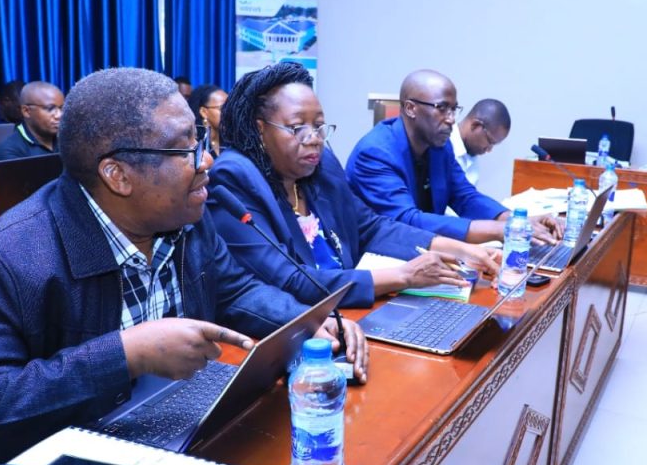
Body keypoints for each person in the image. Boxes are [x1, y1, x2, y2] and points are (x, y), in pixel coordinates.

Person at [0, 68, 367, 465]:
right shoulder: (9, 256)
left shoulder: (187, 218)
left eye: (201, 141)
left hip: (182, 434)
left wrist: (307, 322)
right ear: (118, 175)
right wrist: (123, 355)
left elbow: (235, 292)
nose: (207, 161)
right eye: (186, 149)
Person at [209, 62, 501, 309]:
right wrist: (403, 276)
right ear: (260, 129)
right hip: (293, 332)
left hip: (348, 314)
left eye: (318, 126)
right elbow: (291, 280)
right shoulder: (235, 179)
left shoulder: (321, 167)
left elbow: (371, 227)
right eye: (298, 127)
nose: (313, 138)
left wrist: (463, 251)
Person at [346, 70, 562, 244]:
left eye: (453, 109)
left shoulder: (440, 146)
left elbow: (464, 196)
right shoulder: (375, 153)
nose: (451, 119)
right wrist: (498, 229)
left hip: (427, 251)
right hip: (378, 258)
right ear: (411, 108)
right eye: (441, 108)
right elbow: (407, 220)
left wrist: (515, 221)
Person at [0, 81, 65, 162]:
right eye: (50, 109)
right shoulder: (10, 149)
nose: (59, 115)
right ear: (26, 111)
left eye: (61, 108)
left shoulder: (68, 140)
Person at [450, 98, 510, 186]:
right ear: (475, 125)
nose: (489, 150)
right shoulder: (441, 145)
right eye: (489, 141)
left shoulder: (472, 158)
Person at [188, 84, 228, 156]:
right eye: (222, 108)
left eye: (229, 107)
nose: (228, 113)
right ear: (203, 112)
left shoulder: (232, 142)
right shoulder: (194, 145)